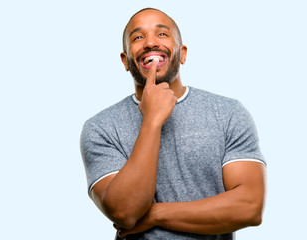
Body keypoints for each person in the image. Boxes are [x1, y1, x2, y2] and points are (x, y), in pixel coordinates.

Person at [80, 8, 266, 240]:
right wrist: (152, 120)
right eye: (138, 37)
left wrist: (155, 215)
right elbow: (125, 212)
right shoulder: (100, 128)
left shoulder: (228, 113)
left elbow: (250, 207)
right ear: (125, 60)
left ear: (182, 53)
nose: (150, 43)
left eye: (161, 34)